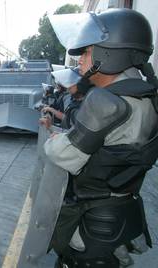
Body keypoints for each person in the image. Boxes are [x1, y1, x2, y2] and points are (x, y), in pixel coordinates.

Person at [46, 9, 158, 268]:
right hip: (121, 211)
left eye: (86, 51)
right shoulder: (147, 96)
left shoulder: (105, 100)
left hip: (92, 218)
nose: (81, 59)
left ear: (110, 52)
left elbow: (64, 155)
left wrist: (54, 139)